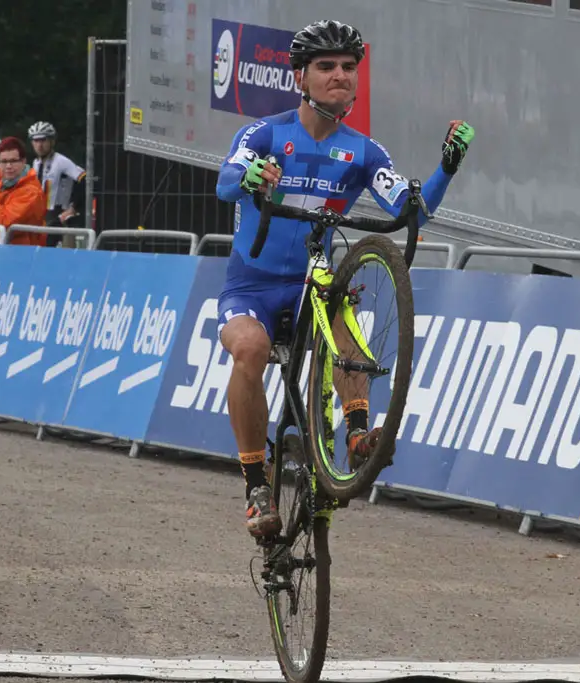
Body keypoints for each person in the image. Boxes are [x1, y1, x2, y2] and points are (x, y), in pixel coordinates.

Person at [214, 19, 474, 539]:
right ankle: (254, 483)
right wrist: (248, 177)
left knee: (344, 326)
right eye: (326, 67)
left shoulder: (363, 152)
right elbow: (225, 183)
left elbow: (410, 213)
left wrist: (446, 169)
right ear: (300, 79)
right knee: (249, 351)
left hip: (314, 282)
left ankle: (357, 434)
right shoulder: (265, 134)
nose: (340, 76)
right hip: (252, 289)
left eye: (349, 68)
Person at [0, 136, 48, 246]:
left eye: (13, 161)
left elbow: (6, 224)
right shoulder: (2, 185)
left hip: (18, 255)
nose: (8, 166)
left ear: (23, 161)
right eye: (4, 161)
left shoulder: (31, 191)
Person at [28, 121, 87, 246]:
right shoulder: (35, 163)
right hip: (40, 215)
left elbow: (84, 179)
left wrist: (73, 207)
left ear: (52, 141)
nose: (39, 145)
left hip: (57, 214)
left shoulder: (61, 161)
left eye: (43, 140)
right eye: (36, 141)